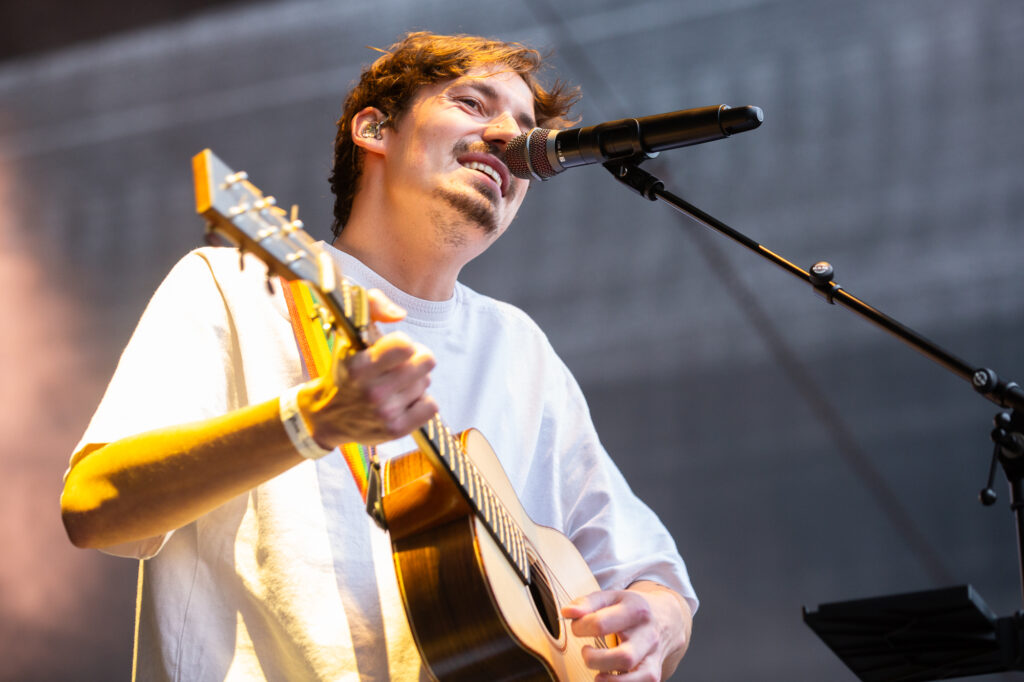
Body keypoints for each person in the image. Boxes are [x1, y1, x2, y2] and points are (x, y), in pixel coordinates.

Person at [61, 32, 696, 681]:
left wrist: (658, 619)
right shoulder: (239, 284)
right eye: (475, 104)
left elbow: (653, 578)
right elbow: (94, 507)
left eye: (527, 126)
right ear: (374, 128)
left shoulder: (520, 349)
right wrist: (310, 422)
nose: (510, 134)